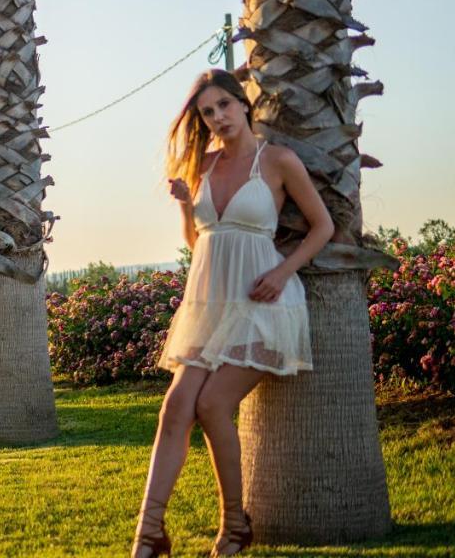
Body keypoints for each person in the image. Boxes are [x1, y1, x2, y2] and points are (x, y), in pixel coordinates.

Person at [131, 69, 334, 558]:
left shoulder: (278, 161)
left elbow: (322, 227)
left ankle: (235, 526)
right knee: (175, 408)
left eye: (224, 105)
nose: (218, 117)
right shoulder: (201, 166)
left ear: (244, 105)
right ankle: (149, 535)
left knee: (212, 405)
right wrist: (185, 207)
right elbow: (199, 242)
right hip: (209, 305)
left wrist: (284, 272)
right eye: (207, 112)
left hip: (263, 303)